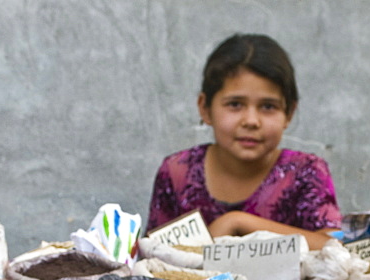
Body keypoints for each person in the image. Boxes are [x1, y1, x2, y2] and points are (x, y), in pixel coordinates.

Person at [147, 33, 342, 251]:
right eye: (235, 104)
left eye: (268, 107)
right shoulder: (177, 173)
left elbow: (334, 247)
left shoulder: (306, 172)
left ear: (289, 113)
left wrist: (238, 223)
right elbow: (154, 256)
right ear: (205, 108)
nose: (251, 121)